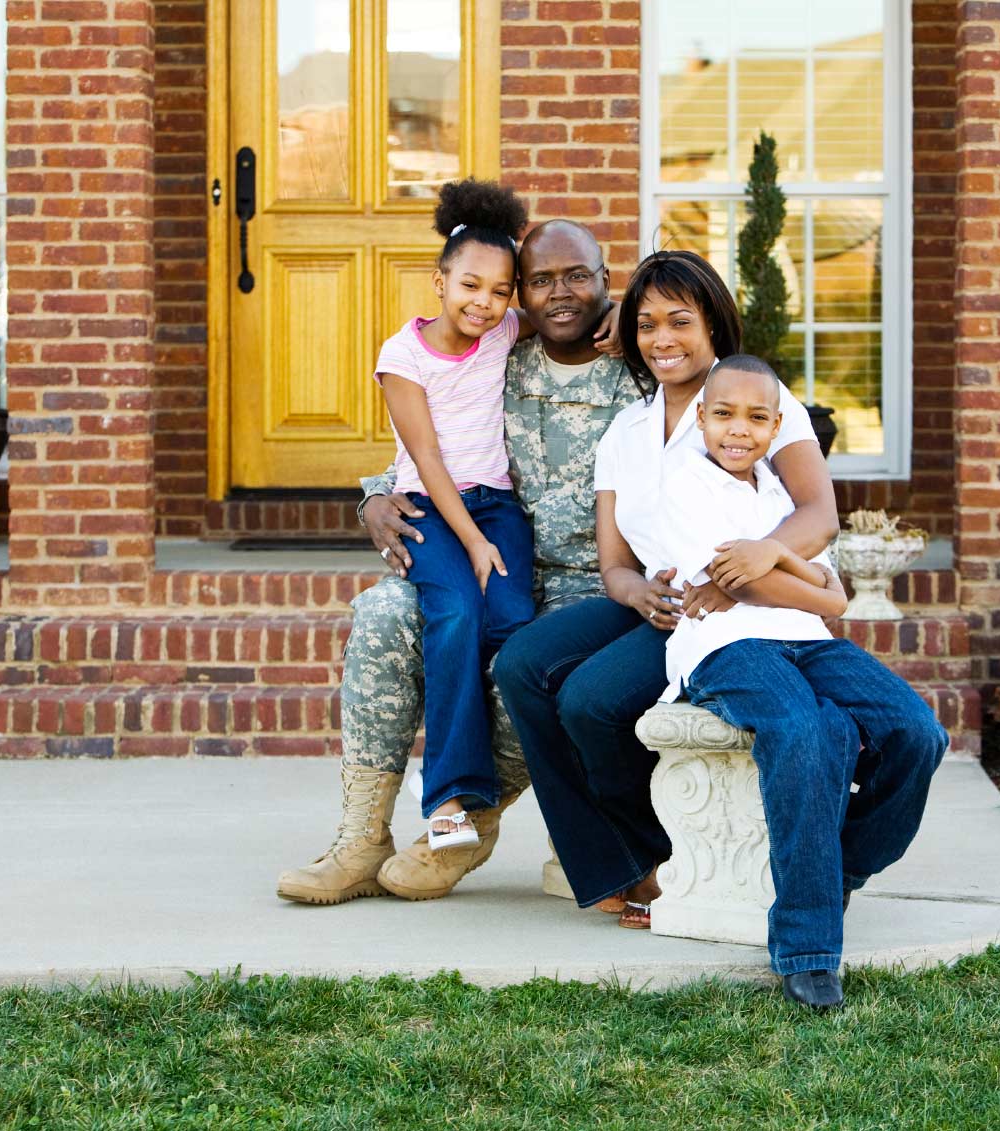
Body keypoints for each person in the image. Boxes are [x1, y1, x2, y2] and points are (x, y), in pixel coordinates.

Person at [277, 219, 630, 903]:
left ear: (605, 282)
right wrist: (375, 499)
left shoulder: (637, 363)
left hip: (594, 585)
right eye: (541, 282)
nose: (560, 294)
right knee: (384, 611)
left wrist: (629, 309)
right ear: (522, 295)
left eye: (579, 278)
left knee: (521, 655)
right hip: (493, 554)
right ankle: (361, 837)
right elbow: (433, 448)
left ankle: (467, 820)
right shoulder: (503, 351)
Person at [492, 250, 838, 929]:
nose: (662, 339)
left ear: (712, 323)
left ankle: (660, 860)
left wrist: (756, 560)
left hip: (732, 612)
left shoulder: (757, 406)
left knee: (591, 699)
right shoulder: (628, 428)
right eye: (646, 324)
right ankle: (608, 859)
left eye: (680, 321)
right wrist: (635, 593)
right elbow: (615, 560)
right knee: (522, 664)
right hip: (659, 606)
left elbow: (819, 515)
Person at [650, 355, 949, 1011]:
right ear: (699, 415)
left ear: (777, 425)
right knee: (806, 730)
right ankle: (809, 950)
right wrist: (785, 571)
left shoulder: (778, 492)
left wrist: (775, 552)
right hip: (729, 646)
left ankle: (837, 867)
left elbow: (832, 592)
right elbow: (752, 584)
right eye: (723, 413)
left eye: (758, 418)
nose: (739, 430)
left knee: (917, 731)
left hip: (809, 641)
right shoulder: (683, 481)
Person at [372, 179, 537, 850]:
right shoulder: (402, 355)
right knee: (456, 616)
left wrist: (615, 317)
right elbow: (428, 458)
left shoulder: (504, 332)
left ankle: (477, 772)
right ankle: (445, 795)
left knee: (511, 621)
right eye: (471, 285)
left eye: (501, 292)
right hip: (433, 513)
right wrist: (469, 540)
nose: (485, 303)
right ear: (439, 281)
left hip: (497, 507)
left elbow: (571, 315)